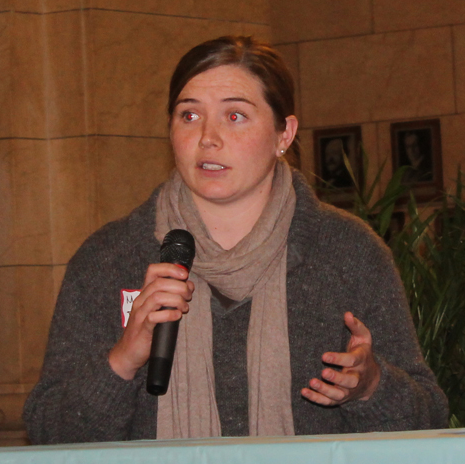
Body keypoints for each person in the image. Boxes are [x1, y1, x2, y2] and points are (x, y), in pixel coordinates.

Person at [23, 36, 448, 444]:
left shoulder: (349, 252)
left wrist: (372, 386)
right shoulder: (109, 258)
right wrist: (123, 361)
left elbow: (427, 418)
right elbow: (50, 432)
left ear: (284, 134)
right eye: (189, 115)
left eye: (235, 115)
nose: (208, 137)